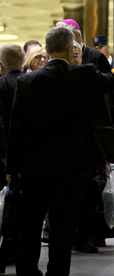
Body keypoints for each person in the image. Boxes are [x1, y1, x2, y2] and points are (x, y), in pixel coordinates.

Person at [5, 26, 114, 276]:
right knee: (63, 226)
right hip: (72, 167)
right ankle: (57, 272)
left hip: (34, 167)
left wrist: (12, 168)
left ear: (47, 49)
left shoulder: (26, 81)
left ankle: (27, 271)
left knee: (31, 224)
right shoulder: (84, 75)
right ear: (70, 49)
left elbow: (17, 129)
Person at [58, 18, 114, 250]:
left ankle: (93, 233)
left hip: (95, 133)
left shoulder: (96, 58)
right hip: (71, 138)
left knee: (95, 187)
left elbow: (111, 94)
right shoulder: (60, 62)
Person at [0, 43, 24, 273]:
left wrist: (4, 155)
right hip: (28, 156)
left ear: (1, 65)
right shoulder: (32, 83)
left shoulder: (1, 84)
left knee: (3, 206)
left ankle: (3, 252)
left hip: (4, 157)